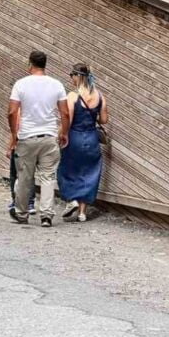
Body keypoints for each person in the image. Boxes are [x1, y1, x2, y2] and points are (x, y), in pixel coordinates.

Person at [8, 51, 70, 227]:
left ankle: (21, 213)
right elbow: (64, 112)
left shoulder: (21, 84)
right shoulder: (56, 84)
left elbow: (12, 112)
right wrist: (63, 132)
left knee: (24, 177)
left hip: (27, 136)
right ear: (45, 64)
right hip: (49, 136)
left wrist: (14, 135)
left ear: (30, 64)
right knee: (48, 177)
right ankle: (46, 215)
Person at [58, 64, 108, 223]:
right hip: (92, 139)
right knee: (89, 174)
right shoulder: (99, 96)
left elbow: (69, 119)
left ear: (76, 76)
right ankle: (82, 213)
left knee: (67, 170)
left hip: (75, 138)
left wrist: (61, 134)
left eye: (71, 76)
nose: (71, 79)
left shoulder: (72, 96)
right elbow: (104, 120)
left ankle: (71, 199)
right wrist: (92, 116)